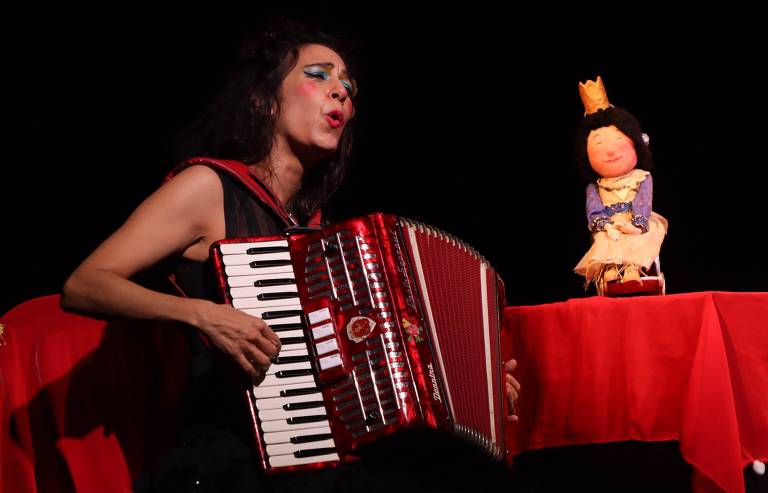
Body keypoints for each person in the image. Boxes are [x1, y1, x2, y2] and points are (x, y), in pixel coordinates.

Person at [60, 19, 520, 493]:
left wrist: (467, 390)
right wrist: (200, 315)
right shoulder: (208, 188)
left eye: (348, 85)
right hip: (226, 460)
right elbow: (86, 283)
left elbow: (360, 376)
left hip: (311, 459)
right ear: (264, 99)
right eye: (319, 75)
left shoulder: (318, 241)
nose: (340, 91)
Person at [573, 76, 668, 292]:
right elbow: (593, 211)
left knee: (643, 235)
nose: (610, 150)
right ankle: (611, 270)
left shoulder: (642, 178)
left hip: (636, 221)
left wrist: (635, 226)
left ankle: (633, 268)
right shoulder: (595, 187)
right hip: (610, 224)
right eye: (598, 143)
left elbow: (643, 202)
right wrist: (606, 225)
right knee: (605, 238)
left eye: (618, 140)